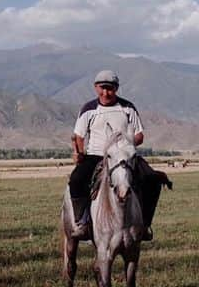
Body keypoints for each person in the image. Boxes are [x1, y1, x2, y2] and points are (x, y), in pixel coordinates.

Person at [68, 69, 163, 240]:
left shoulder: (127, 108)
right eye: (102, 88)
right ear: (96, 88)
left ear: (117, 88)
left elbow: (139, 135)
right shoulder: (88, 109)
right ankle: (82, 222)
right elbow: (79, 136)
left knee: (153, 179)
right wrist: (79, 153)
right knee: (76, 180)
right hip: (96, 156)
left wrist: (126, 145)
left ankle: (145, 224)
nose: (106, 92)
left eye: (110, 88)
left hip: (125, 156)